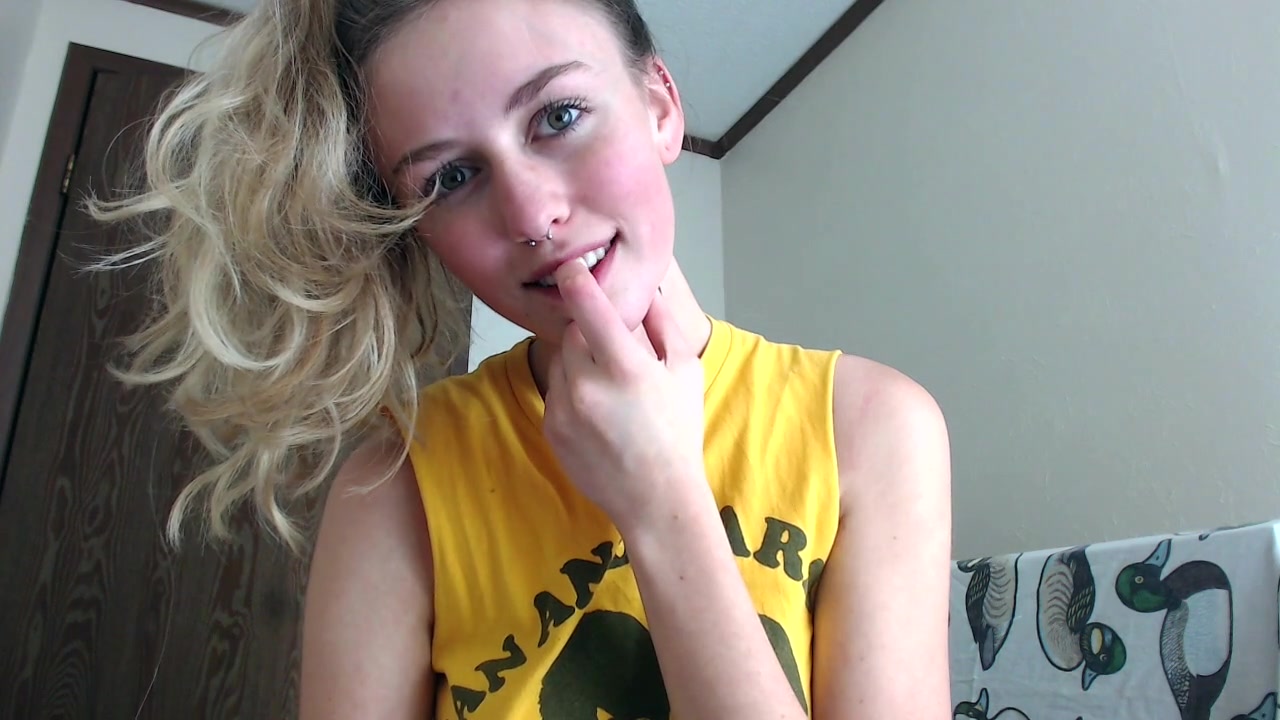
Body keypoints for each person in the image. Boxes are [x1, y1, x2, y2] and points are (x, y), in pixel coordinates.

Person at [91, 0, 953, 716]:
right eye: (450, 178)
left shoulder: (871, 425)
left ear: (660, 106)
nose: (533, 215)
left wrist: (661, 505)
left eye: (559, 117)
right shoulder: (398, 485)